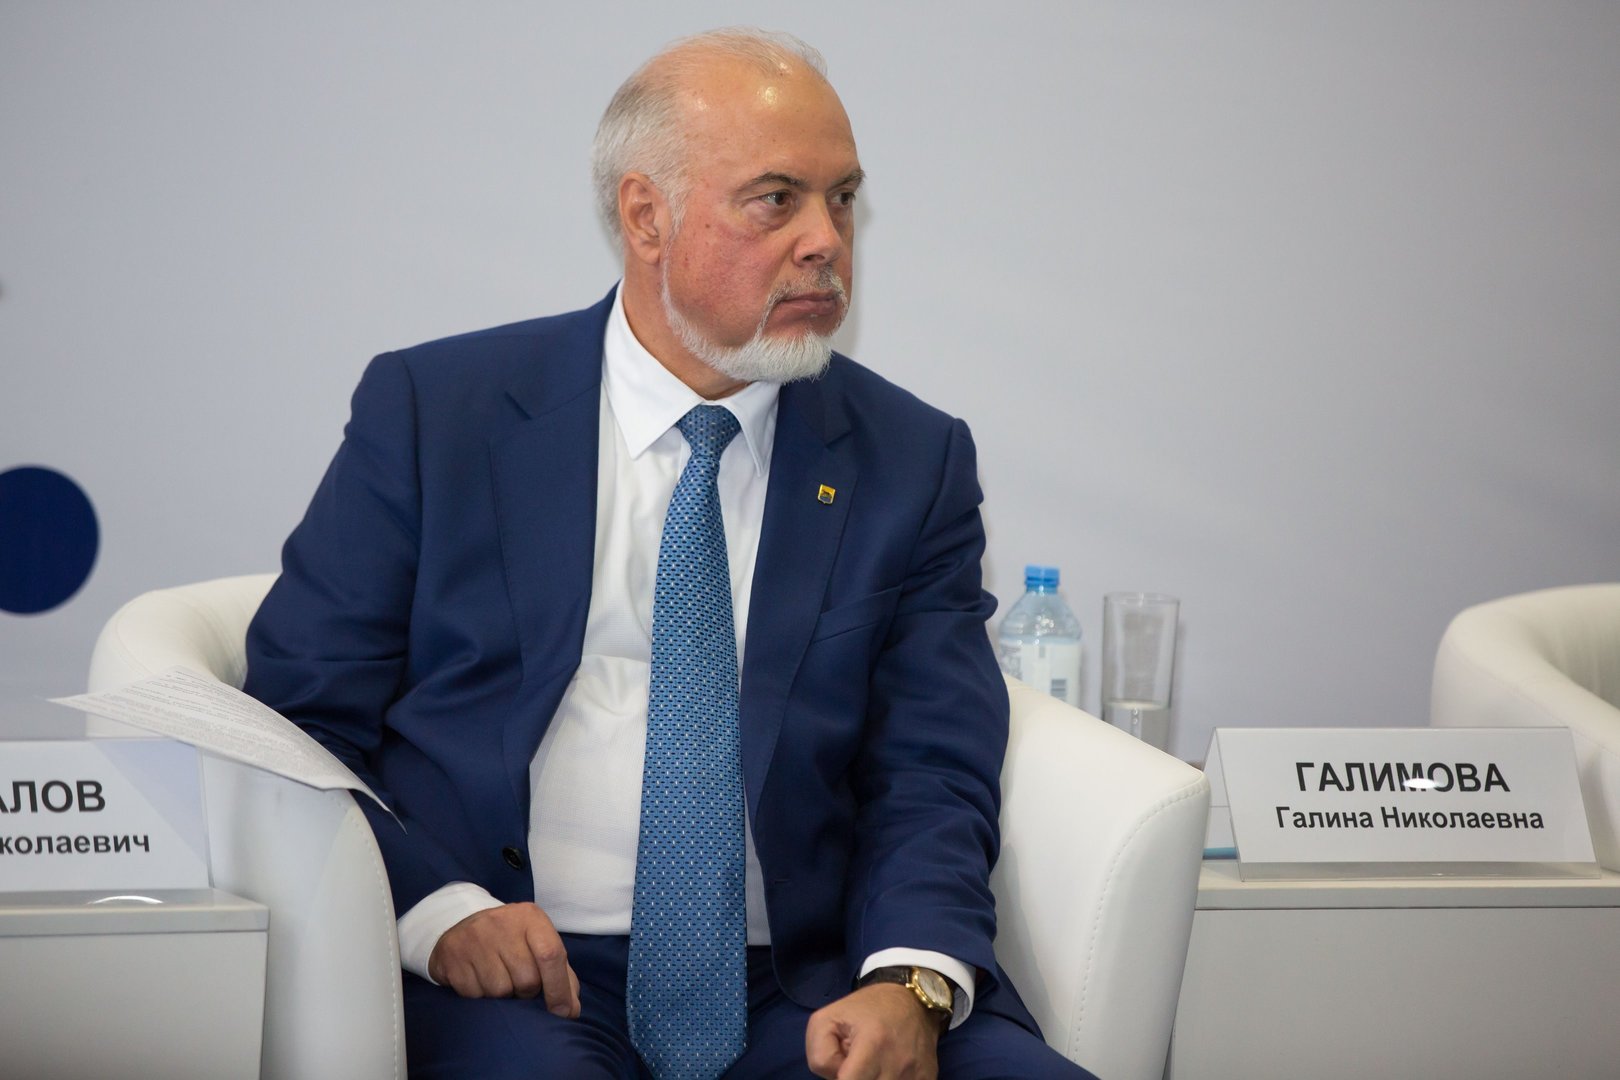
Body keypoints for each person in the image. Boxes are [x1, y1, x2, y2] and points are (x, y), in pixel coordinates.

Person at [244, 27, 1094, 1080]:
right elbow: (298, 717)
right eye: (776, 199)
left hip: (805, 981)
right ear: (647, 216)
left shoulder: (910, 459)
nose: (826, 241)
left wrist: (909, 977)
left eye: (842, 199)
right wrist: (438, 909)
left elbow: (931, 759)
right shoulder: (439, 412)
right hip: (510, 970)